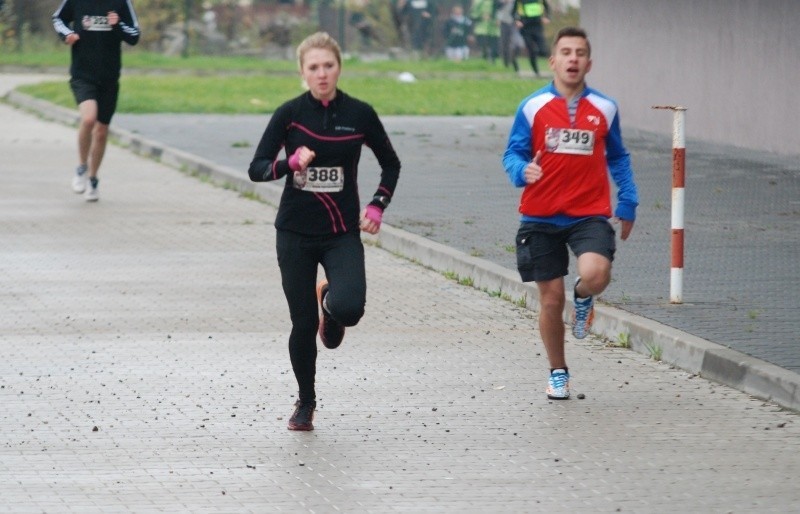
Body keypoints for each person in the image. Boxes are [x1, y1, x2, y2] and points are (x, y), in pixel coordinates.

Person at [248, 32, 401, 431]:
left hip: (341, 232)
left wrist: (377, 205)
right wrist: (289, 164)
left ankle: (330, 303)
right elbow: (257, 168)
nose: (322, 74)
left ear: (339, 68)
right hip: (295, 232)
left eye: (328, 66)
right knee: (301, 324)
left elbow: (391, 164)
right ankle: (306, 402)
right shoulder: (290, 114)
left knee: (351, 308)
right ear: (302, 72)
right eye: (313, 67)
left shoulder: (360, 113)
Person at [501, 27, 639, 400]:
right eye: (566, 52)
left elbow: (618, 157)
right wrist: (520, 170)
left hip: (587, 213)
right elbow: (512, 153)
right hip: (540, 217)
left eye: (580, 53)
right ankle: (558, 372)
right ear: (554, 61)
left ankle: (584, 295)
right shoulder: (532, 107)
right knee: (549, 300)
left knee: (595, 272)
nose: (573, 59)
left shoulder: (605, 108)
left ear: (588, 63)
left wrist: (628, 200)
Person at [52, 0, 140, 202]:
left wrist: (117, 24)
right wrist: (67, 34)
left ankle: (93, 179)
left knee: (101, 131)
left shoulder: (121, 3)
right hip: (83, 75)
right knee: (89, 119)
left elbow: (134, 35)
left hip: (109, 78)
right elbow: (58, 19)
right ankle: (82, 166)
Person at [514, 0, 550, 77]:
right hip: (525, 28)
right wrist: (517, 21)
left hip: (537, 26)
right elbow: (513, 12)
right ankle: (536, 72)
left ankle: (554, 68)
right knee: (531, 50)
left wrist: (547, 17)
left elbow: (547, 7)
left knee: (543, 49)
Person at [497, 0, 520, 72]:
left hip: (515, 23)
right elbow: (497, 8)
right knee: (505, 44)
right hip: (504, 22)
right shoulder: (502, 2)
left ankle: (514, 61)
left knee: (515, 44)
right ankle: (506, 63)